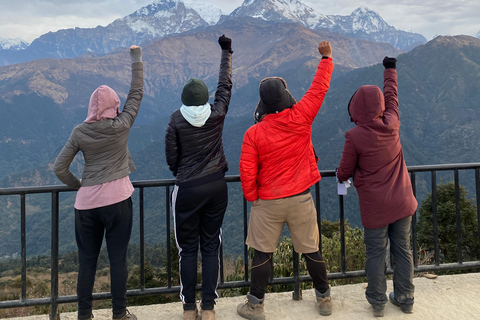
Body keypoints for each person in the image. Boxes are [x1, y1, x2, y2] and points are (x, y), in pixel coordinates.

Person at [237, 41, 334, 320]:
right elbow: (319, 88)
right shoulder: (301, 116)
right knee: (311, 249)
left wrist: (252, 196)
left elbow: (247, 171)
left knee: (262, 254)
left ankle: (255, 306)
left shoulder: (253, 134)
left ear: (263, 102)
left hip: (268, 200)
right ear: (285, 95)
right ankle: (324, 299)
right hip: (301, 196)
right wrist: (326, 58)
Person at [53, 45, 143, 320]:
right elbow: (136, 93)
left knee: (86, 262)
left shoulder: (80, 132)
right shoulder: (122, 124)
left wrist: (80, 185)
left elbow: (59, 168)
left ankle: (84, 315)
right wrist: (136, 59)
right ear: (115, 106)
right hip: (118, 202)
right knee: (118, 259)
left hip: (87, 206)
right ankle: (119, 314)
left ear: (92, 106)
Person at [336, 57, 417, 317]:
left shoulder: (355, 136)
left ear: (355, 108)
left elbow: (344, 171)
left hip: (375, 207)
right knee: (403, 248)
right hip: (403, 201)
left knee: (376, 253)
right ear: (380, 105)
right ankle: (405, 298)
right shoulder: (392, 122)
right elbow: (392, 96)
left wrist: (341, 175)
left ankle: (378, 302)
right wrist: (390, 69)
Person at [164, 35, 233, 320]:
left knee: (187, 249)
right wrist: (226, 52)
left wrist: (182, 173)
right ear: (205, 98)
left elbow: (171, 155)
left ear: (183, 99)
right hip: (217, 186)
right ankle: (209, 308)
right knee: (211, 245)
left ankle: (189, 308)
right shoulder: (217, 113)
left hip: (187, 188)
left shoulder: (175, 119)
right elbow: (225, 85)